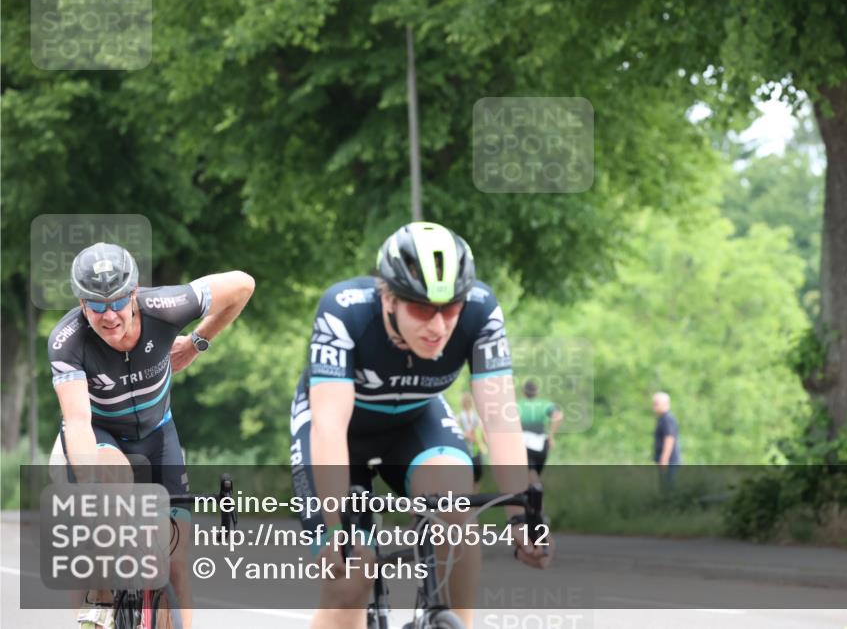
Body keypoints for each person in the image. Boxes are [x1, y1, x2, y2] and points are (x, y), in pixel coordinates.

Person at [289, 222, 552, 629]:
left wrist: (521, 517)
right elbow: (328, 426)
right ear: (388, 298)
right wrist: (334, 527)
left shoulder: (482, 310)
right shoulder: (344, 309)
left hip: (414, 424)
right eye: (421, 309)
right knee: (349, 581)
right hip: (336, 436)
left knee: (456, 512)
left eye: (450, 309)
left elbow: (500, 416)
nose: (438, 327)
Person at [48, 242, 255, 629]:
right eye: (96, 305)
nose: (109, 315)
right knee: (110, 486)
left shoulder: (168, 307)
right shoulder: (67, 341)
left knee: (176, 564)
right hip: (101, 434)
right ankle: (99, 604)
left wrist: (197, 342)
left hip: (159, 435)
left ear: (135, 292)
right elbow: (77, 422)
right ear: (81, 303)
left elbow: (243, 284)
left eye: (118, 302)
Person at [516, 379, 563, 484]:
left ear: (524, 392)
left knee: (530, 475)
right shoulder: (545, 404)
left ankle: (535, 496)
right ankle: (536, 496)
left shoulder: (517, 405)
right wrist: (551, 436)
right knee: (534, 474)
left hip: (524, 444)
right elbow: (558, 416)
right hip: (541, 443)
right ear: (537, 392)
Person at [458, 391, 488, 491]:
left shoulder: (460, 417)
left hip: (465, 450)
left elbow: (456, 432)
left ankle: (469, 502)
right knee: (476, 478)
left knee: (467, 478)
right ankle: (474, 503)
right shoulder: (475, 416)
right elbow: (484, 434)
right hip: (474, 450)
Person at [652, 391, 681, 490]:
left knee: (668, 488)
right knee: (665, 486)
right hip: (668, 461)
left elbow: (669, 438)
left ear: (665, 404)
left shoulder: (667, 419)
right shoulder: (662, 419)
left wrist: (664, 459)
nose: (654, 407)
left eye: (656, 404)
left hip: (670, 461)